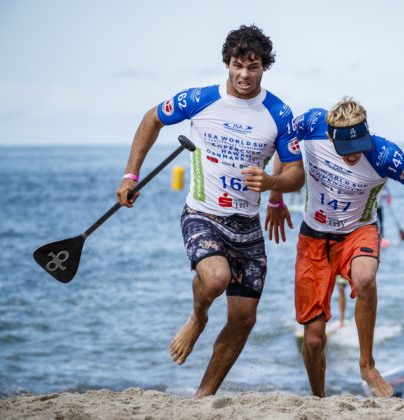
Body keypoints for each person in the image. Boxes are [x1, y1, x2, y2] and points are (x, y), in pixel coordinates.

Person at [115, 25, 303, 398]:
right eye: (237, 65)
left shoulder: (279, 113)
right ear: (227, 63)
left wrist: (272, 185)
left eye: (253, 66)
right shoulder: (200, 99)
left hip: (247, 224)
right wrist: (130, 174)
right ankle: (198, 316)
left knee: (244, 318)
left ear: (265, 67)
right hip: (203, 215)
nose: (244, 75)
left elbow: (295, 172)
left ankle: (203, 398)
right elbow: (152, 118)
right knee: (215, 279)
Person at [263, 99, 404, 398]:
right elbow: (285, 149)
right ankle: (318, 400)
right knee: (314, 341)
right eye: (347, 149)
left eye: (360, 144)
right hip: (314, 238)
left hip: (358, 232)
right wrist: (275, 198)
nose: (355, 154)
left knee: (364, 278)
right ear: (330, 136)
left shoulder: (385, 154)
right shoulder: (309, 125)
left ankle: (367, 364)